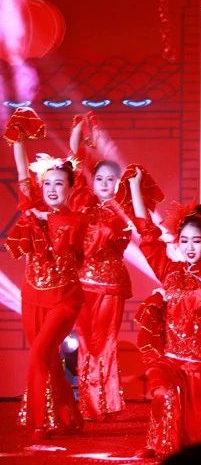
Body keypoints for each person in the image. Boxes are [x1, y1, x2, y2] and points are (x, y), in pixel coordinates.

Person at [129, 169, 201, 458]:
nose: (189, 247)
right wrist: (135, 187)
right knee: (164, 393)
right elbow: (147, 234)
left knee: (191, 441)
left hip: (198, 366)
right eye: (184, 241)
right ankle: (158, 446)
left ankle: (175, 446)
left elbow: (200, 301)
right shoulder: (170, 271)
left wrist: (169, 296)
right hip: (169, 359)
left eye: (196, 241)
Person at [4, 131, 85, 439]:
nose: (52, 189)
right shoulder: (33, 207)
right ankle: (68, 417)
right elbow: (24, 176)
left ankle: (39, 422)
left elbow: (64, 239)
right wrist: (18, 141)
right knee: (48, 357)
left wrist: (40, 215)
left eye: (59, 184)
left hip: (64, 299)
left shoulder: (75, 220)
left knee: (39, 354)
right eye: (47, 183)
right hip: (32, 295)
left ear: (70, 188)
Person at [68, 118, 131, 421]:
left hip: (111, 285)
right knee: (85, 341)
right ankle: (89, 404)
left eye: (111, 179)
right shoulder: (84, 205)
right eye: (100, 179)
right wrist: (79, 133)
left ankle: (105, 403)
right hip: (82, 283)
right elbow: (76, 165)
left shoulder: (123, 212)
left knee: (104, 343)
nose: (105, 184)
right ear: (92, 182)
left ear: (119, 183)